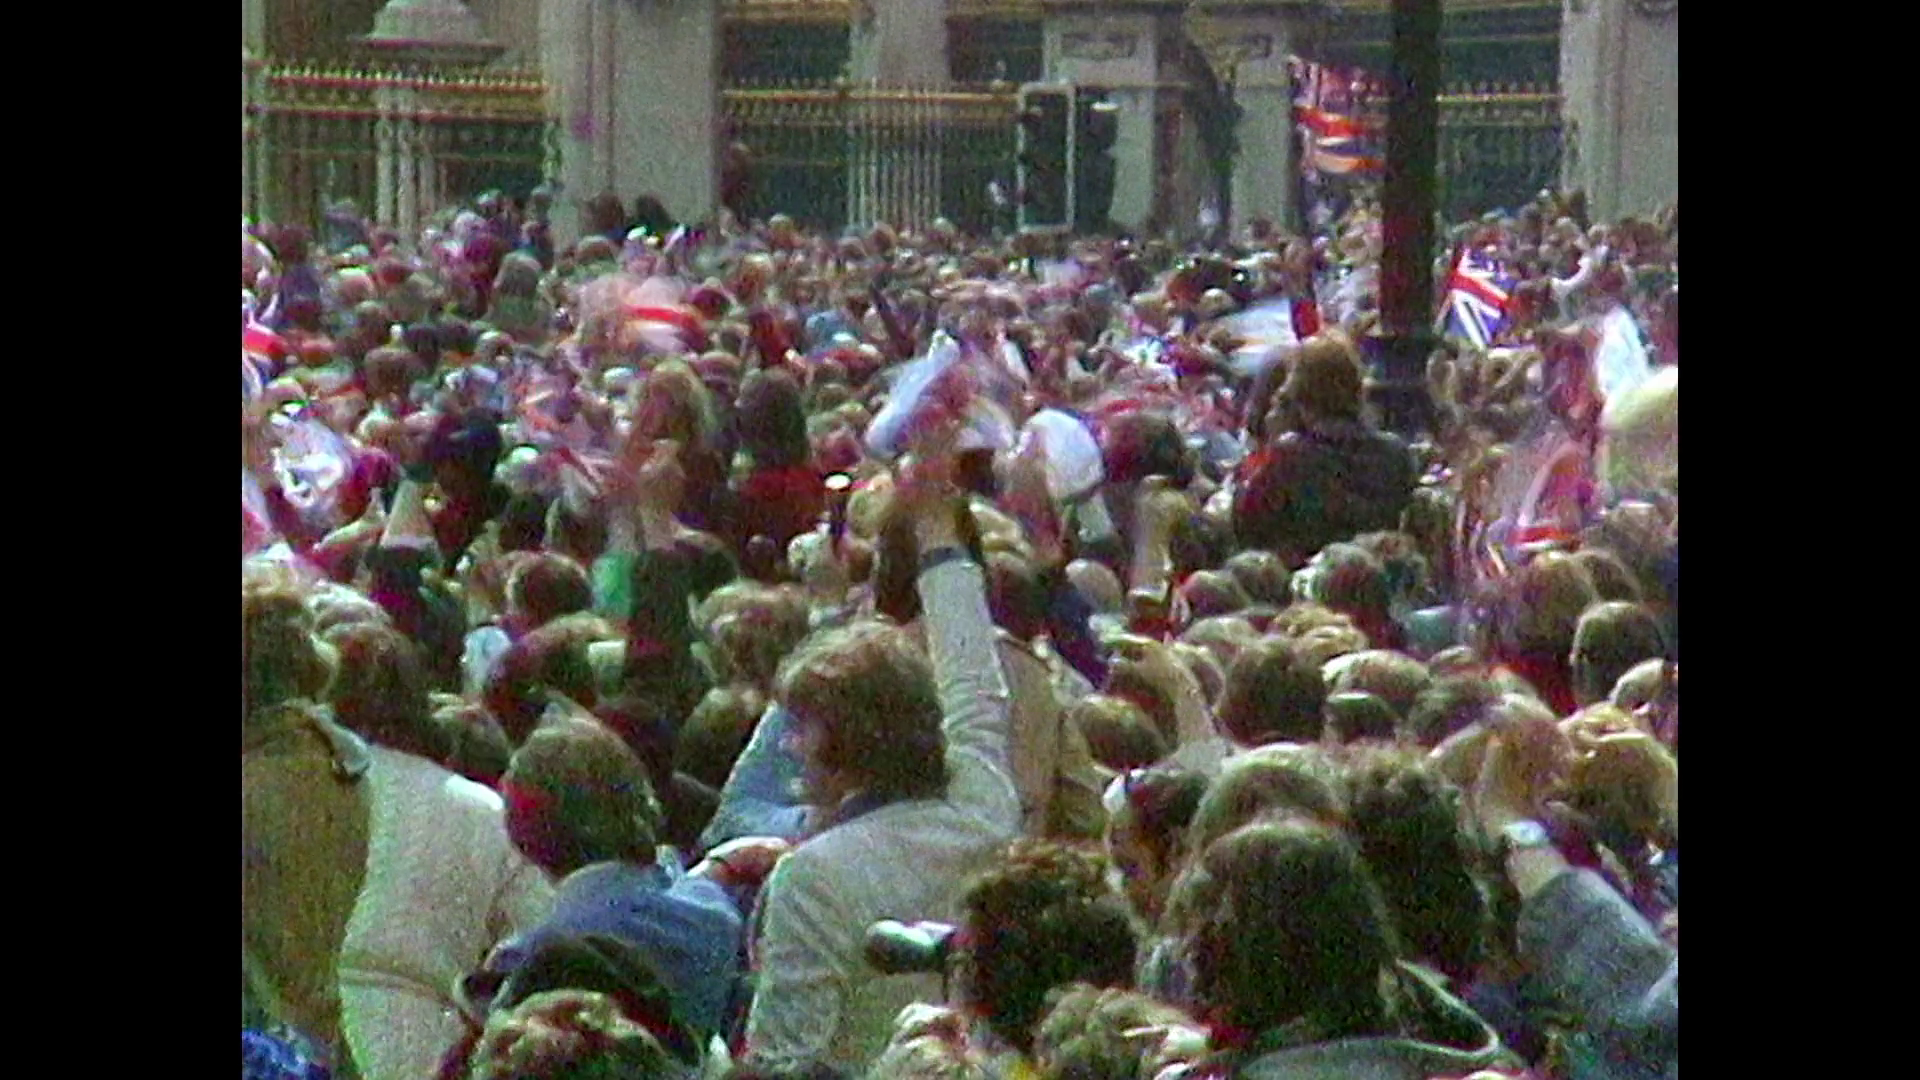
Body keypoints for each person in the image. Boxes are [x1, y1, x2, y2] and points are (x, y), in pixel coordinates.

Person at [741, 437, 1021, 1074]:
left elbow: (785, 1062)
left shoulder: (812, 878)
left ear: (853, 741)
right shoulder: (981, 803)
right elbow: (973, 681)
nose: (789, 746)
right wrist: (937, 527)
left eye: (803, 729)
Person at [1232, 334, 1416, 568]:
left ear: (1299, 395)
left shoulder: (1291, 457)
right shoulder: (1396, 453)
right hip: (1382, 574)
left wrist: (1272, 444)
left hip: (1311, 578)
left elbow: (1247, 525)